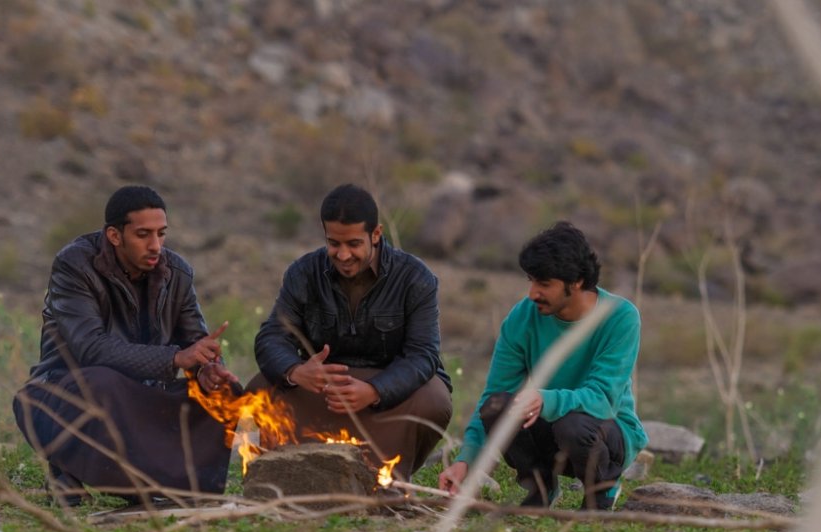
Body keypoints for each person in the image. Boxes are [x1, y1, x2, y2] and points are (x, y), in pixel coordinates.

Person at [13, 185, 239, 504]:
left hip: (140, 397)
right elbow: (90, 348)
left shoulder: (178, 273)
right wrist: (176, 358)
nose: (155, 246)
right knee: (102, 382)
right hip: (61, 394)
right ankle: (70, 470)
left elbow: (196, 345)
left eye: (161, 234)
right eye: (143, 235)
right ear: (114, 236)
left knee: (223, 393)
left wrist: (207, 370)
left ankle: (173, 484)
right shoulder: (74, 265)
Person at [438, 222, 647, 510]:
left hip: (607, 433)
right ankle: (539, 489)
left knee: (573, 423)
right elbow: (493, 394)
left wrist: (545, 398)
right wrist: (465, 462)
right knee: (497, 408)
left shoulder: (620, 317)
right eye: (531, 281)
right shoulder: (523, 317)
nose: (532, 293)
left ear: (575, 282)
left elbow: (603, 400)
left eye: (544, 284)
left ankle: (601, 492)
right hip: (550, 426)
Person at [251, 183, 453, 480]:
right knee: (259, 389)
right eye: (334, 243)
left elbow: (423, 355)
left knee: (435, 399)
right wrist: (295, 371)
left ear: (376, 234)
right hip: (323, 389)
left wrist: (374, 391)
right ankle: (291, 475)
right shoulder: (303, 272)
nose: (343, 255)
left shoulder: (415, 277)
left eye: (354, 244)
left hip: (388, 393)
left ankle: (387, 478)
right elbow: (272, 336)